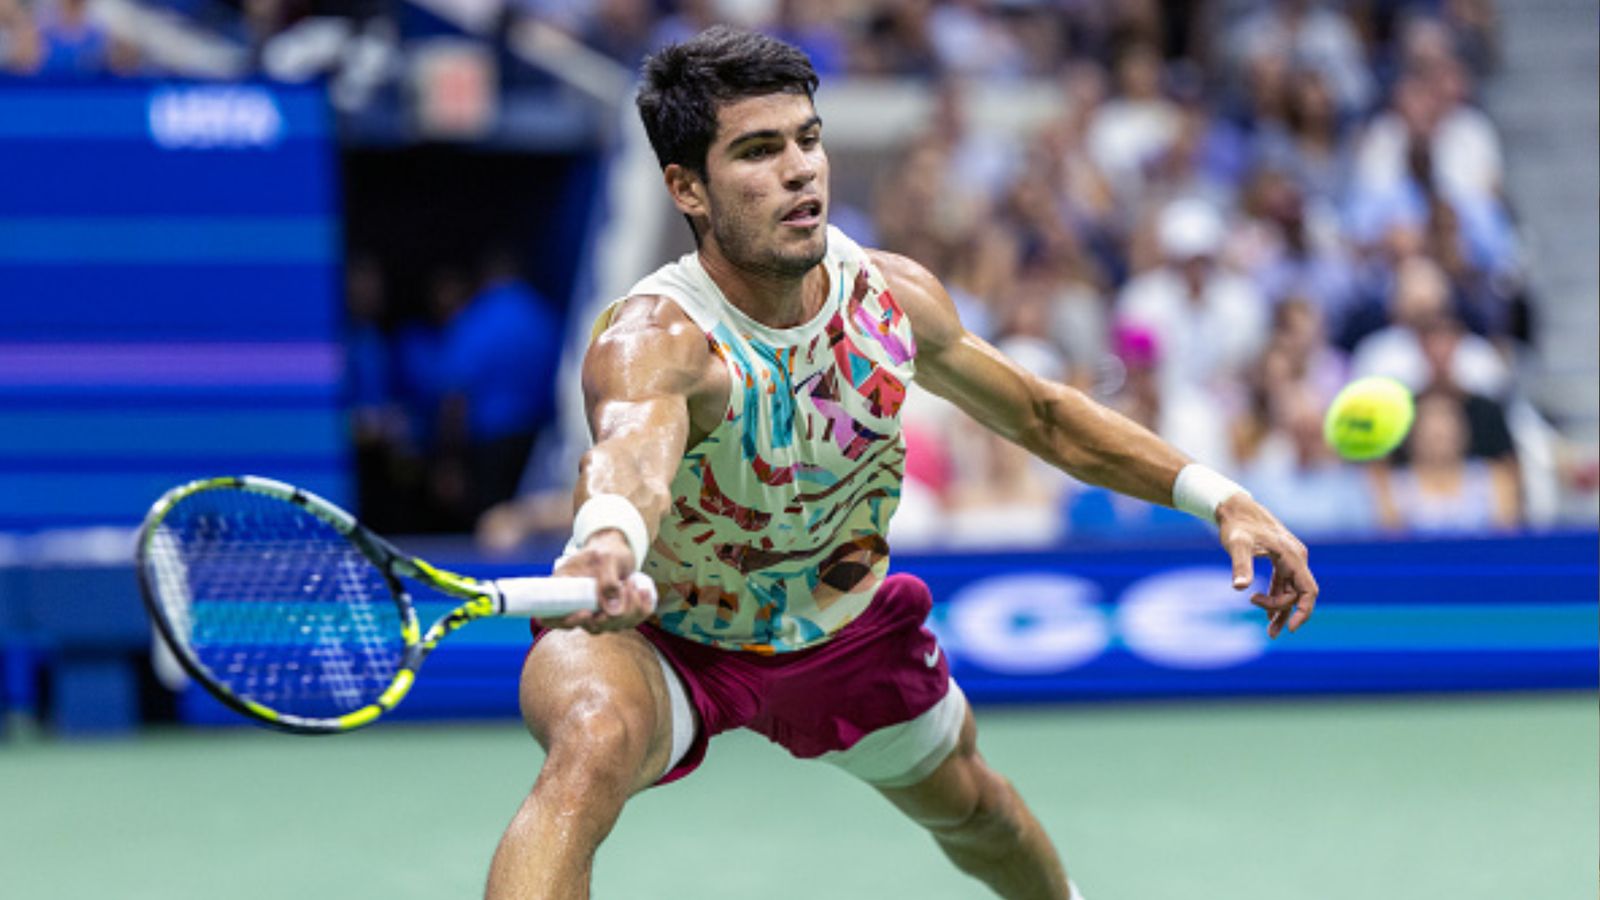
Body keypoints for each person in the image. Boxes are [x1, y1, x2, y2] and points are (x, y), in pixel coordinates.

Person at [486, 27, 1318, 900]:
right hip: (662, 633)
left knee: (979, 811)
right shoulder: (658, 338)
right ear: (686, 187)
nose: (801, 170)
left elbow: (1043, 416)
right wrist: (608, 541)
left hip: (836, 625)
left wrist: (1222, 499)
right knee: (589, 745)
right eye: (758, 152)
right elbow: (631, 456)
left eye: (808, 139)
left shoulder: (889, 297)